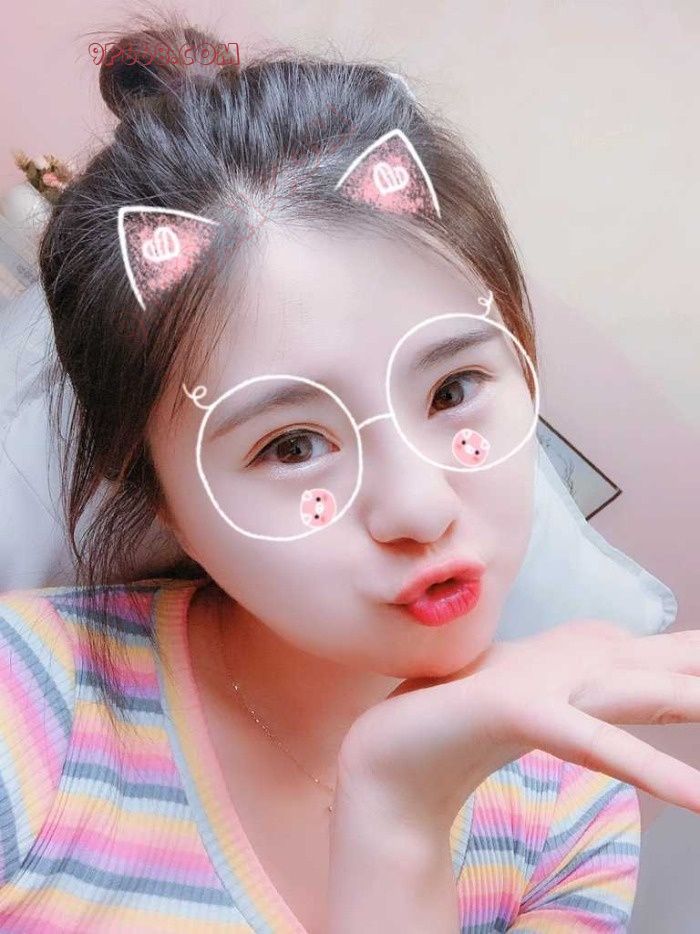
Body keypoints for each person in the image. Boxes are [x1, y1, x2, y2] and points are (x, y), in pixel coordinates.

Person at [2, 11, 700, 933]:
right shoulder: (27, 707)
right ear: (156, 496)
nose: (420, 506)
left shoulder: (574, 817)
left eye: (453, 389)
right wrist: (397, 809)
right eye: (291, 446)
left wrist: (400, 809)